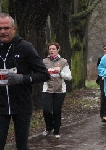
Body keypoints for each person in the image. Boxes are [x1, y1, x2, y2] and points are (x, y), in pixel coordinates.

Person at [0, 13, 50, 150]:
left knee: (22, 146)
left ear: (13, 29)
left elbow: (44, 75)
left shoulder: (25, 47)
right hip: (1, 105)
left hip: (22, 104)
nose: (3, 32)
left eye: (6, 28)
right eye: (0, 29)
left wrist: (23, 78)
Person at [42, 42, 72, 139]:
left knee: (56, 110)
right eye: (50, 49)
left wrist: (60, 73)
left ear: (58, 50)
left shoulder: (63, 61)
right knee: (46, 110)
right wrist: (46, 74)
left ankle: (57, 130)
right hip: (47, 89)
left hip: (60, 90)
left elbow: (69, 77)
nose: (51, 50)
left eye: (53, 49)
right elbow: (41, 74)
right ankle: (49, 127)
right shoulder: (44, 61)